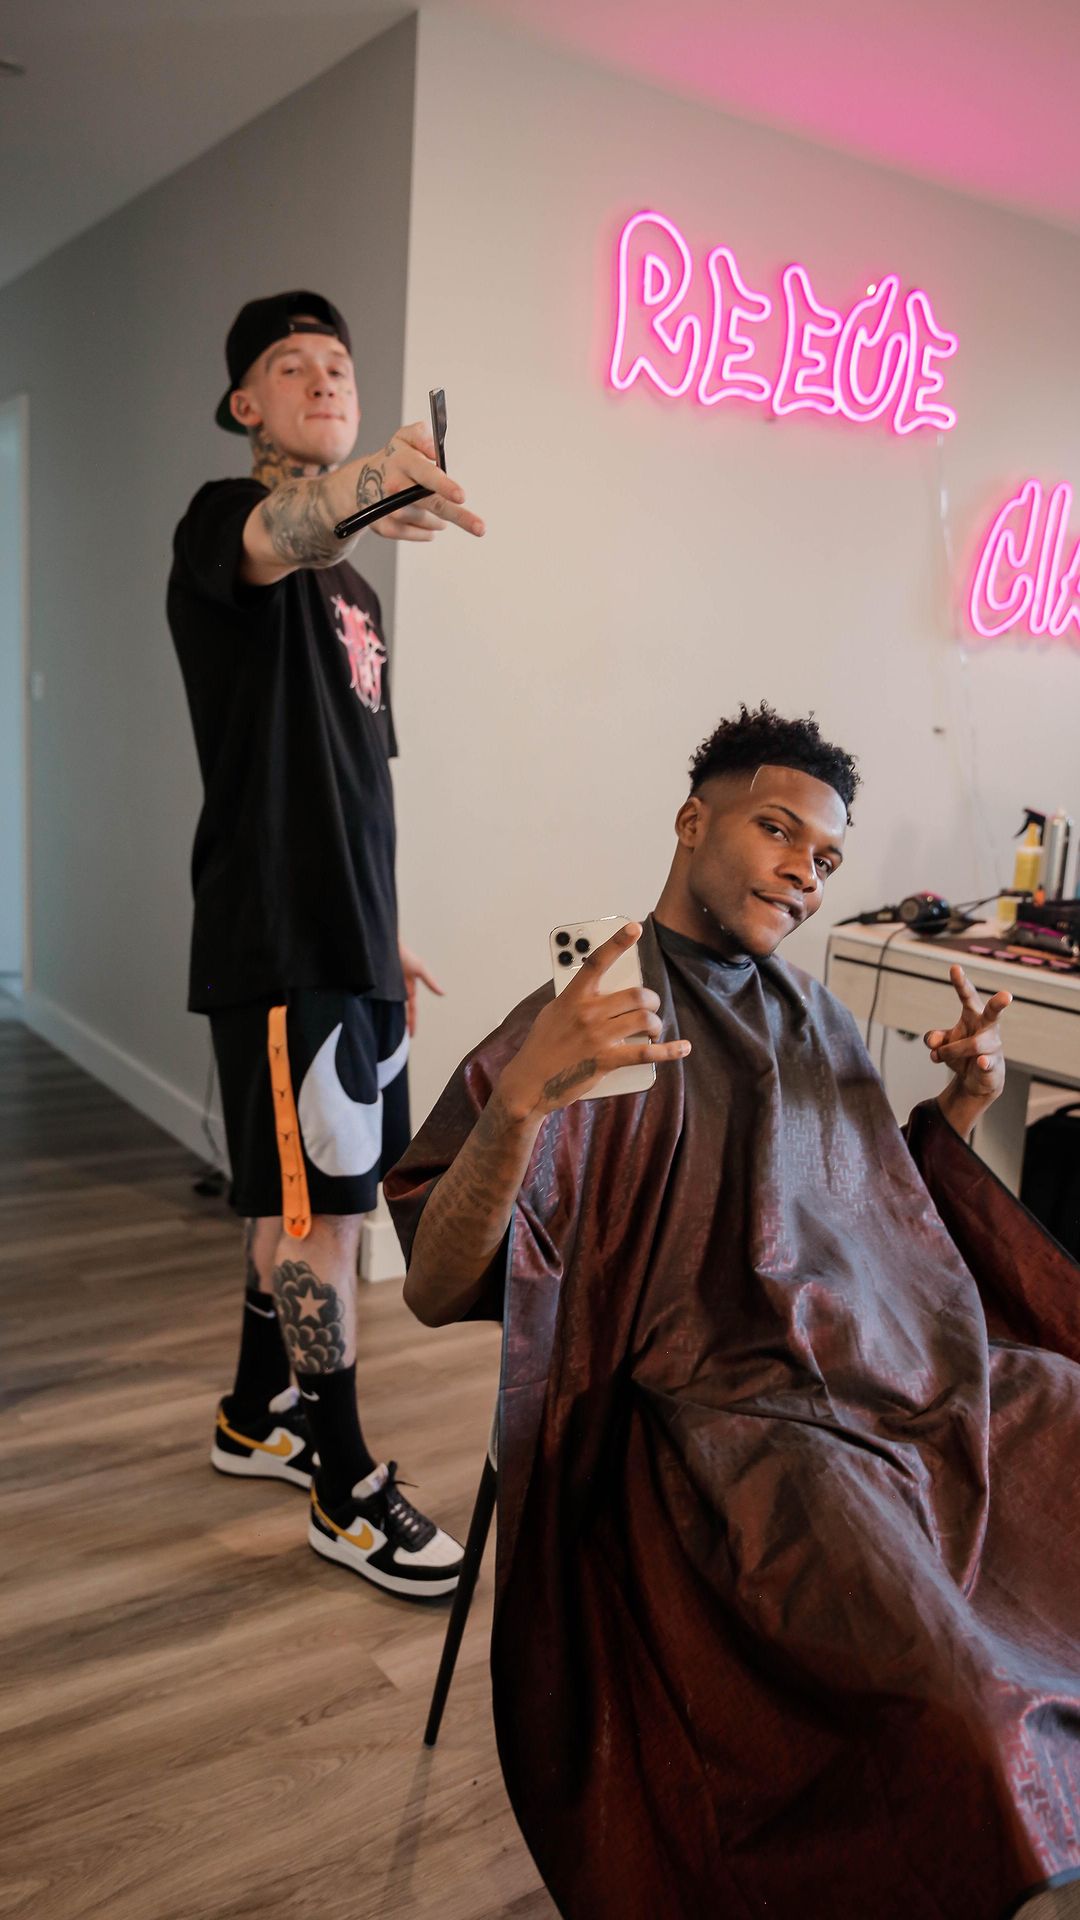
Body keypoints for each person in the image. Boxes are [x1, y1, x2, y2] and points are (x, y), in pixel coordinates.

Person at [386, 703, 1080, 1917]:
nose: (806, 872)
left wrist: (962, 1108)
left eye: (828, 857)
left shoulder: (813, 1017)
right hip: (726, 1416)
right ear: (691, 821)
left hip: (889, 1371)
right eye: (779, 830)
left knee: (1063, 1406)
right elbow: (437, 1286)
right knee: (958, 1694)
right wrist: (522, 1106)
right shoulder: (585, 1016)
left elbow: (874, 1209)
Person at [168, 289, 484, 1598]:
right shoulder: (226, 527)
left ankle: (258, 1416)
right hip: (282, 944)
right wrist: (375, 482)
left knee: (298, 1201)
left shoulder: (354, 592)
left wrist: (385, 935)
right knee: (328, 1224)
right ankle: (344, 1489)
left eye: (339, 365)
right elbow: (287, 526)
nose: (323, 380)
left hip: (348, 946)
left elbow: (357, 782)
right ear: (246, 403)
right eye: (291, 367)